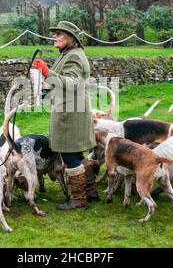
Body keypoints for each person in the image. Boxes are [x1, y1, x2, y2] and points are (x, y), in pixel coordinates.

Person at [32, 21, 99, 210]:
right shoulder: (68, 54)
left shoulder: (75, 56)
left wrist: (47, 72)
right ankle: (90, 191)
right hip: (70, 110)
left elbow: (72, 83)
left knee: (70, 156)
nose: (55, 36)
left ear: (71, 38)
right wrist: (46, 81)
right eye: (56, 33)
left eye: (60, 34)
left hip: (71, 113)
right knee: (76, 153)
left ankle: (79, 198)